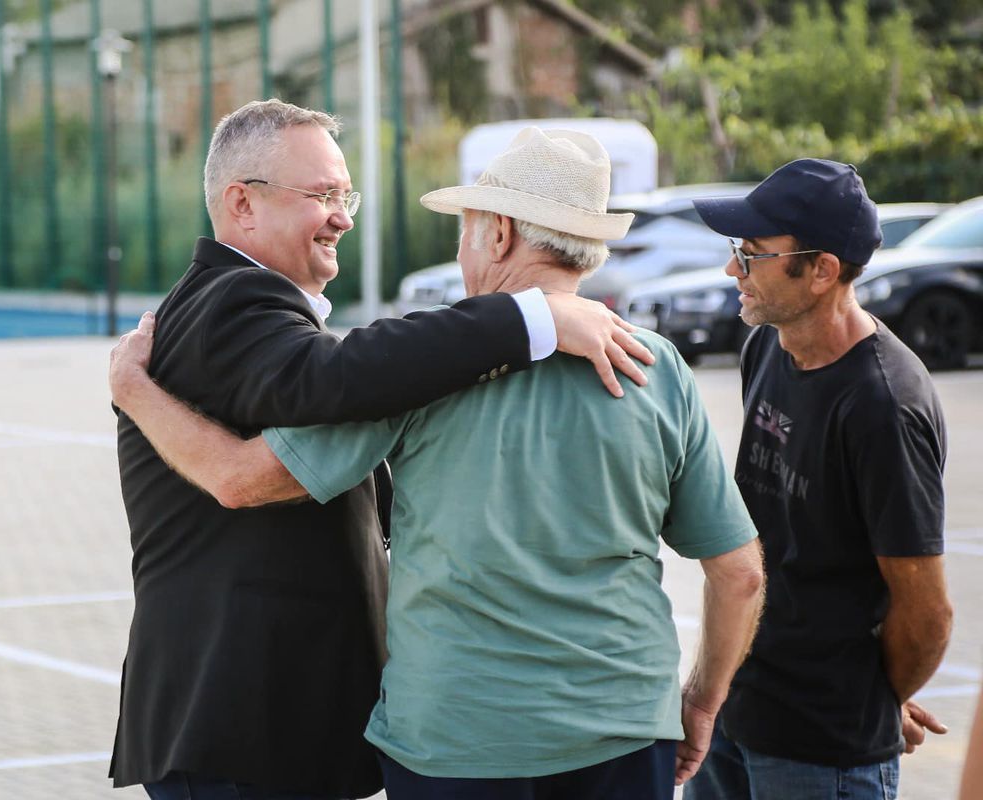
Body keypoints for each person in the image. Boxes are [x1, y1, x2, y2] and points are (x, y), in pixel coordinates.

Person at [110, 126, 766, 800]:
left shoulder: (424, 372)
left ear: (499, 234)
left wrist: (134, 392)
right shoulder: (657, 371)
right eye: (323, 193)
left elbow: (244, 478)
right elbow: (740, 574)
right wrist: (701, 702)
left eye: (466, 226)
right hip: (627, 731)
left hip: (456, 742)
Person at [684, 159, 954, 800]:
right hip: (734, 709)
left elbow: (927, 612)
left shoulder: (883, 405)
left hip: (819, 750)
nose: (733, 272)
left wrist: (874, 699)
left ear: (823, 270)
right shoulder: (767, 345)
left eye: (751, 256)